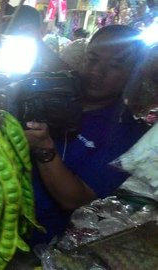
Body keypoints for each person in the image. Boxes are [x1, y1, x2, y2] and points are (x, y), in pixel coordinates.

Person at [25, 25, 149, 245]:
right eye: (92, 58)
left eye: (114, 65)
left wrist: (44, 148)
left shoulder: (127, 133)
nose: (96, 71)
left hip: (38, 241)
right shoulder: (47, 90)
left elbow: (75, 199)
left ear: (134, 71)